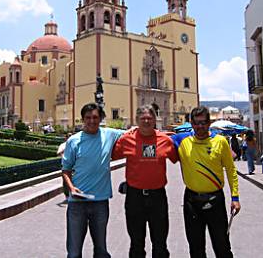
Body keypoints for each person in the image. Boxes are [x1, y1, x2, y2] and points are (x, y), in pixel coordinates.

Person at [171, 106, 241, 258]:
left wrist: (235, 197)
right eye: (196, 123)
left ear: (209, 123)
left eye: (203, 122)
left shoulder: (220, 141)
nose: (200, 126)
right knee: (196, 248)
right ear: (191, 123)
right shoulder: (182, 140)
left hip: (215, 200)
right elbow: (156, 139)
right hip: (191, 201)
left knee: (222, 246)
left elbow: (230, 170)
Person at [111, 104, 179, 258]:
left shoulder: (165, 140)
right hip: (135, 197)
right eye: (143, 119)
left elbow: (179, 158)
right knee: (136, 244)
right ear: (136, 120)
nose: (146, 121)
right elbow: (108, 154)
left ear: (155, 120)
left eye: (150, 118)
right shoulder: (126, 139)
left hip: (158, 197)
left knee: (160, 244)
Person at [62, 103, 123, 258]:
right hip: (77, 203)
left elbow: (134, 133)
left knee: (101, 250)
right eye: (88, 118)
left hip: (100, 202)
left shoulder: (109, 134)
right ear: (83, 119)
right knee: (74, 252)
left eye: (95, 117)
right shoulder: (74, 141)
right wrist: (71, 188)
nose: (91, 121)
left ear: (100, 118)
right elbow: (66, 170)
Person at [57, 133, 73, 199]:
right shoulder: (63, 145)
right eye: (68, 136)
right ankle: (67, 194)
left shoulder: (75, 144)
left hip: (74, 165)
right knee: (65, 180)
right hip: (65, 164)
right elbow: (58, 153)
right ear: (66, 138)